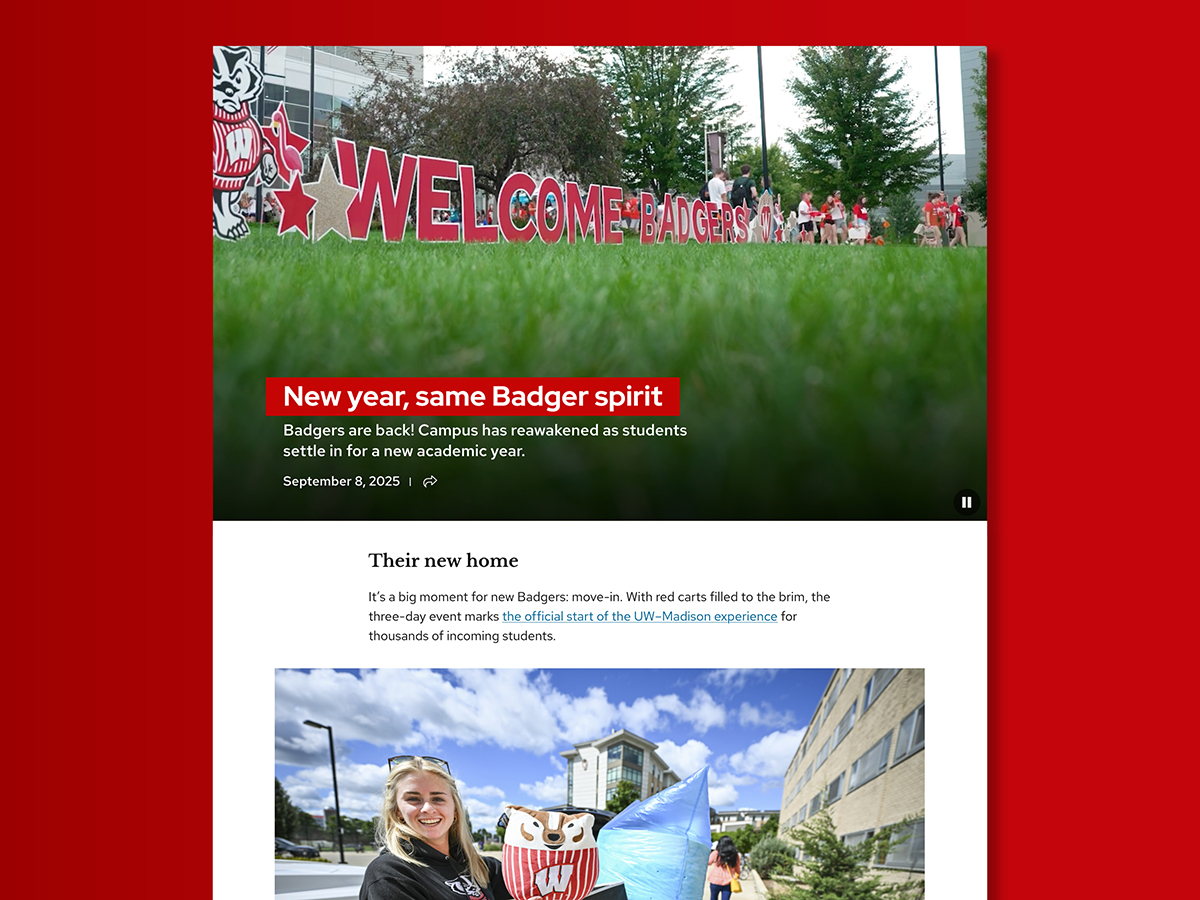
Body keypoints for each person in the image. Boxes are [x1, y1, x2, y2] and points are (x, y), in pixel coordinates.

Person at [360, 756, 509, 900]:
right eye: (413, 799)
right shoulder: (390, 873)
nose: (428, 808)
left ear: (455, 809)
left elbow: (528, 880)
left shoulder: (479, 866)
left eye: (438, 799)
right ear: (397, 810)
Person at [707, 835, 741, 900]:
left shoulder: (716, 853)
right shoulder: (735, 855)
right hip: (728, 881)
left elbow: (708, 862)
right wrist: (737, 875)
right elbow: (737, 868)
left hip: (715, 880)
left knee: (713, 898)